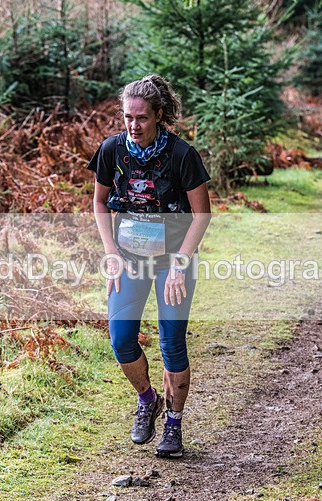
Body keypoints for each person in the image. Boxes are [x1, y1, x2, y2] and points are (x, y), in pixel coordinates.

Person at [87, 74, 211, 458]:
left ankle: (174, 424)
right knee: (121, 338)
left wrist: (179, 265)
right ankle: (148, 400)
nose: (133, 125)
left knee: (172, 343)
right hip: (128, 260)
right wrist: (110, 252)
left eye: (141, 118)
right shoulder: (111, 151)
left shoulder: (181, 155)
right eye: (127, 117)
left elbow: (202, 214)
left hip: (172, 262)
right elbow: (100, 203)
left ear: (158, 115)